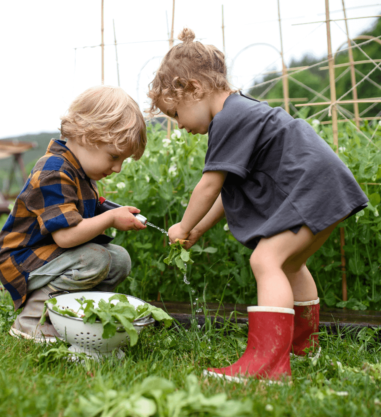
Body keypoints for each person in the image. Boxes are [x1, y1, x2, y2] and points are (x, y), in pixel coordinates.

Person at [148, 28, 368, 382]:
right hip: (325, 186)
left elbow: (209, 185)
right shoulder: (242, 111)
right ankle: (302, 349)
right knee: (291, 264)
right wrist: (200, 230)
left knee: (265, 260)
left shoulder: (228, 119)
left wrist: (183, 226)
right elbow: (228, 190)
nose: (179, 125)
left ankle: (267, 364)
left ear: (191, 88)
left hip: (310, 187)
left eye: (175, 114)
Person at [0, 86, 147, 343]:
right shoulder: (54, 170)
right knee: (94, 259)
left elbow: (82, 215)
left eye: (123, 160)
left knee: (119, 259)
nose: (118, 168)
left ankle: (80, 315)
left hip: (53, 258)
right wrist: (110, 219)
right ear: (87, 135)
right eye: (114, 156)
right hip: (24, 260)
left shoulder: (81, 172)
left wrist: (108, 210)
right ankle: (32, 321)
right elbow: (66, 237)